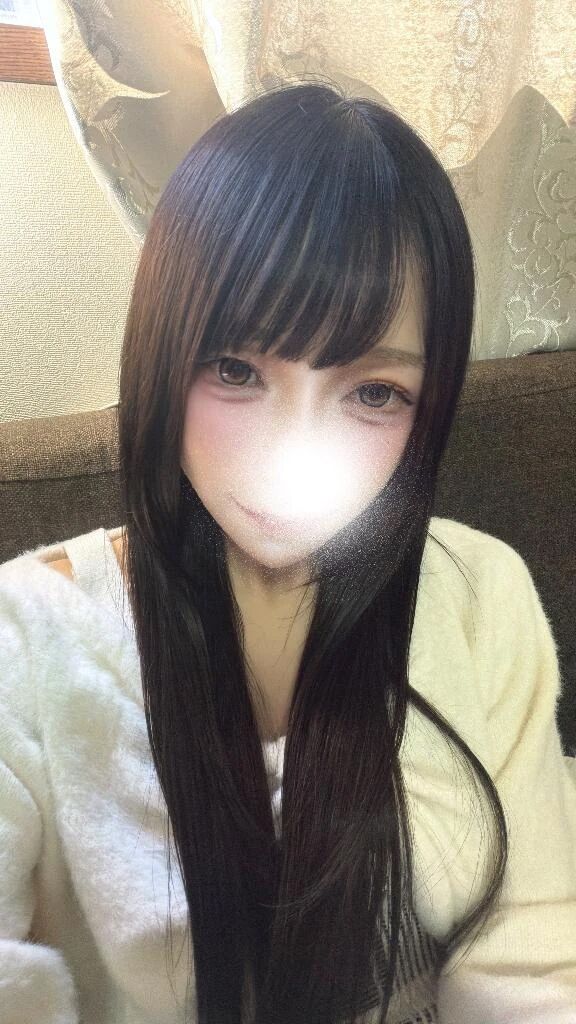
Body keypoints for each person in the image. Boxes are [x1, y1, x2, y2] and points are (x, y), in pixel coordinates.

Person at [0, 79, 575, 1024]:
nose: (293, 452)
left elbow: (535, 966)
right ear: (163, 355)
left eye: (373, 393)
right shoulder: (29, 636)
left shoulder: (481, 595)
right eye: (236, 369)